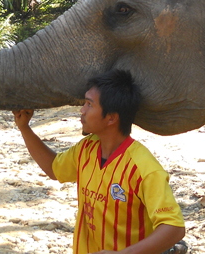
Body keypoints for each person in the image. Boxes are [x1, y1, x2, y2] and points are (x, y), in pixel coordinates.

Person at [13, 69, 186, 254]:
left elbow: (174, 228)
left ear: (111, 117)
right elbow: (54, 169)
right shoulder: (86, 149)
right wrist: (24, 128)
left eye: (89, 104)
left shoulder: (144, 168)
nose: (82, 110)